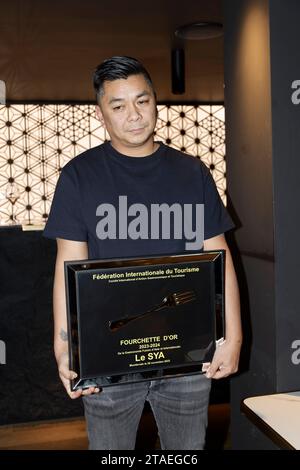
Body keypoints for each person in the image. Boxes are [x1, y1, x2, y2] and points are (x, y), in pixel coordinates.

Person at [44, 56, 242, 450]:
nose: (133, 115)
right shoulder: (79, 175)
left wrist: (232, 337)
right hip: (108, 357)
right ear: (101, 114)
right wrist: (66, 345)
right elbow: (68, 264)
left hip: (189, 354)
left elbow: (219, 256)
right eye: (118, 106)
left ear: (155, 103)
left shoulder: (192, 172)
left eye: (142, 101)